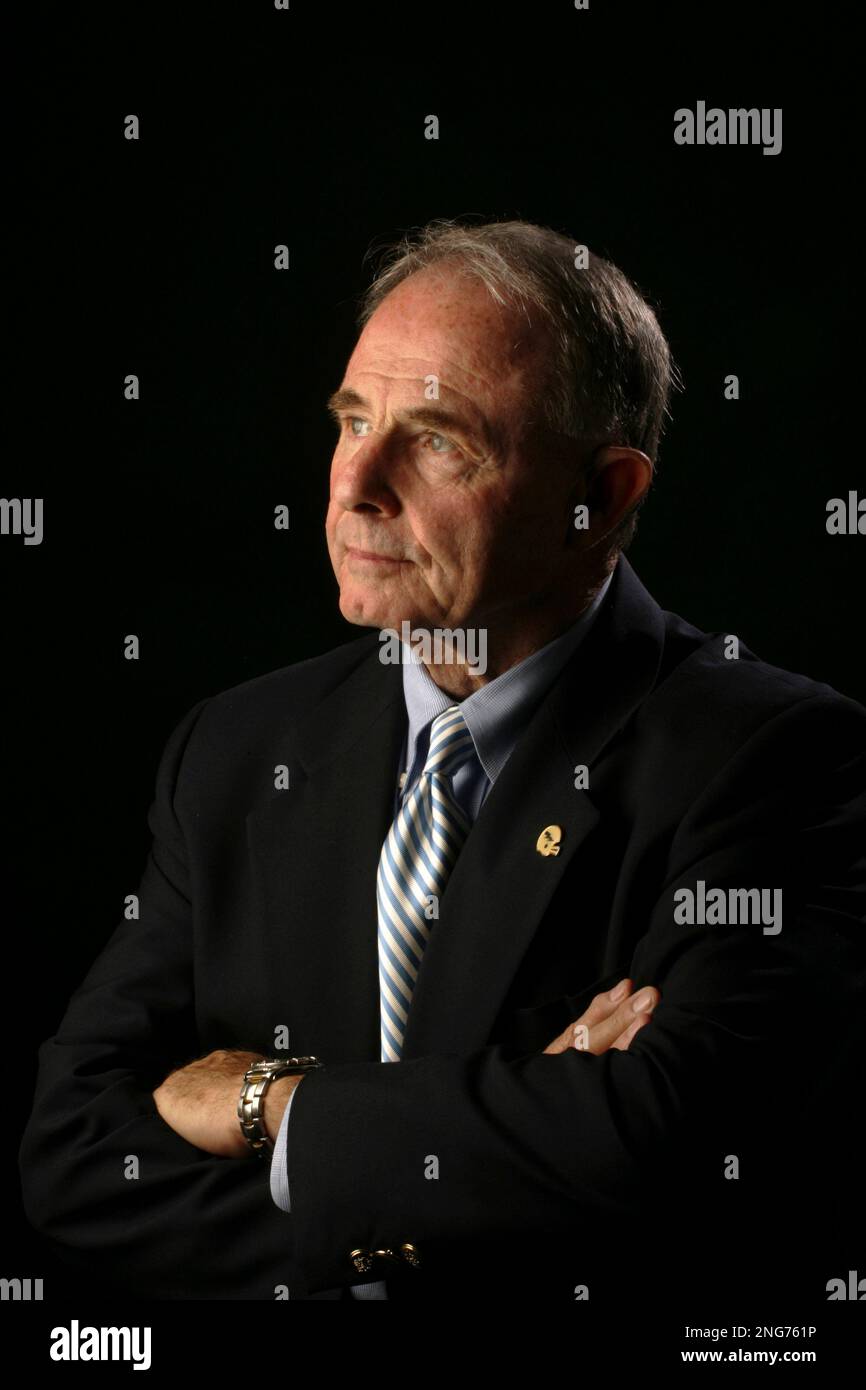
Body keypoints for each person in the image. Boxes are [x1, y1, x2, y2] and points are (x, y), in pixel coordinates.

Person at [20, 219, 866, 1303]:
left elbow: (669, 1148)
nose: (356, 483)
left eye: (435, 439)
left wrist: (271, 1104)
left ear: (599, 498)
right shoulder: (238, 750)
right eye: (352, 419)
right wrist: (434, 1206)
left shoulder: (776, 760)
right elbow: (76, 1154)